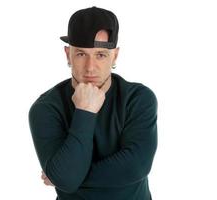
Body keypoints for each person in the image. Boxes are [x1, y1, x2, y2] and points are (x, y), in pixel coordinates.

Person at [29, 6, 157, 200]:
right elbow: (66, 178)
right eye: (81, 54)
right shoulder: (46, 108)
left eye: (100, 55)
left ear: (115, 55)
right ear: (67, 54)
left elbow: (136, 167)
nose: (90, 67)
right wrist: (85, 112)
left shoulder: (138, 99)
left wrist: (65, 177)